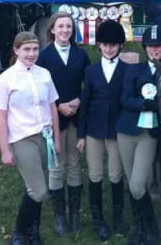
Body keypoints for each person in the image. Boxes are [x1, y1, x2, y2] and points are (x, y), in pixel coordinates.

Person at [0, 31, 61, 245]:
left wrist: (57, 139)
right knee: (39, 189)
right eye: (26, 49)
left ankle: (34, 233)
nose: (31, 54)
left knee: (33, 187)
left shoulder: (44, 74)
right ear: (16, 50)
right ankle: (20, 233)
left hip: (45, 137)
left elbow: (53, 107)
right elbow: (0, 117)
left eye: (35, 49)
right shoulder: (5, 79)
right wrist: (5, 150)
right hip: (22, 138)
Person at [36, 12, 90, 237]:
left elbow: (90, 85)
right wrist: (57, 105)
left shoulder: (81, 55)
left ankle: (75, 215)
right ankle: (59, 215)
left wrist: (78, 100)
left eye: (69, 26)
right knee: (56, 166)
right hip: (53, 119)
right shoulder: (43, 56)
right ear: (52, 30)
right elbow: (39, 89)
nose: (65, 30)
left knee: (74, 164)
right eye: (61, 26)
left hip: (76, 117)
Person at [116, 24, 161, 245]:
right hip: (127, 130)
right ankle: (141, 229)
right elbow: (125, 99)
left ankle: (152, 228)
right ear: (145, 47)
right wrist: (144, 103)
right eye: (150, 45)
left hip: (150, 133)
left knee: (138, 184)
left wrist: (157, 106)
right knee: (133, 185)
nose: (154, 50)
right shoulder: (133, 70)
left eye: (158, 46)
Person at [76, 20, 128, 241]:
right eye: (105, 45)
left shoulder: (128, 70)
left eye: (113, 45)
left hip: (117, 130)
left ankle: (118, 216)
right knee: (95, 173)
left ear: (120, 46)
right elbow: (85, 103)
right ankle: (98, 219)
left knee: (116, 174)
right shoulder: (91, 70)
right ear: (99, 46)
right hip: (94, 129)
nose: (109, 49)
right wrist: (80, 134)